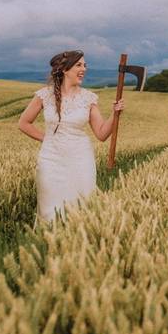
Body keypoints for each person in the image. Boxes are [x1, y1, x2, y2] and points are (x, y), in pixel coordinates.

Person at [18, 50, 124, 222]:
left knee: (82, 209)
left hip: (81, 160)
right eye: (79, 65)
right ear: (65, 69)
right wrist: (48, 139)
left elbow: (102, 134)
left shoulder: (88, 98)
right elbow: (24, 123)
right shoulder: (45, 94)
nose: (84, 69)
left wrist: (115, 114)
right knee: (49, 211)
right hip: (51, 160)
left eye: (85, 65)